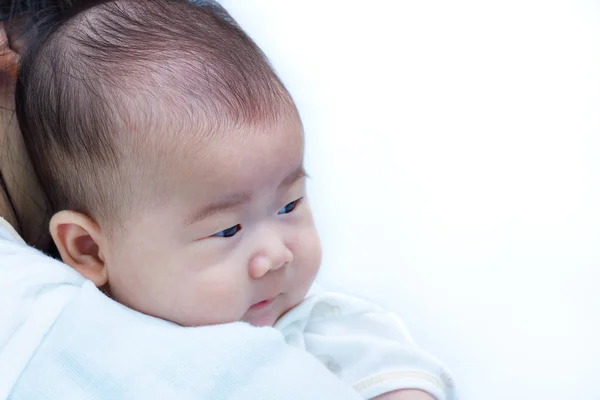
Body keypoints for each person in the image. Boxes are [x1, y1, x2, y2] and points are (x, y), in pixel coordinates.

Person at [2, 0, 455, 399]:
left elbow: (390, 367)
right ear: (89, 249)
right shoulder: (71, 334)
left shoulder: (316, 327)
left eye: (289, 205)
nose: (277, 255)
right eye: (227, 230)